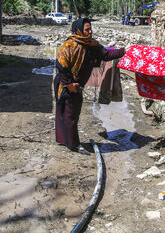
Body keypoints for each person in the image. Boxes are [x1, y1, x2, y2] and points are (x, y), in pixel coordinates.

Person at [54, 18, 126, 154]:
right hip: (65, 83)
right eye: (87, 29)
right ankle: (74, 145)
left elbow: (106, 54)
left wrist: (124, 51)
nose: (90, 31)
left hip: (77, 84)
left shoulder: (92, 45)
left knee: (72, 111)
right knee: (69, 113)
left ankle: (65, 139)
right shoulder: (70, 45)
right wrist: (69, 84)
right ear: (79, 30)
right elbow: (60, 65)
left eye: (90, 28)